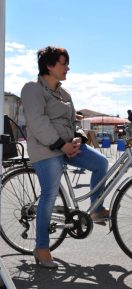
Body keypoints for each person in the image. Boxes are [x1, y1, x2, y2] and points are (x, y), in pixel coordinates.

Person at [21, 46, 109, 269]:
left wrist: (78, 138)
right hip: (46, 149)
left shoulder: (64, 94)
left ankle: (96, 209)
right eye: (63, 63)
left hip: (68, 146)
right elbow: (38, 122)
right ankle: (42, 247)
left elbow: (71, 123)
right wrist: (62, 144)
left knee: (101, 163)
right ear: (49, 66)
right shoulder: (32, 89)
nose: (67, 68)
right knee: (50, 194)